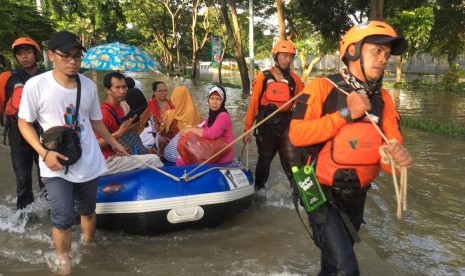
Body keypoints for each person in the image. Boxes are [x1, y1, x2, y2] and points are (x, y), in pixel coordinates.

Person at [289, 21, 413, 275]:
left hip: (357, 196)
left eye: (387, 55)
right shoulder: (321, 88)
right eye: (376, 51)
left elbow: (389, 149)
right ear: (354, 50)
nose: (383, 60)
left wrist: (396, 156)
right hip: (320, 194)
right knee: (346, 268)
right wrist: (346, 113)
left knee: (334, 264)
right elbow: (296, 135)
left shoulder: (384, 99)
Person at [17, 30, 128, 275]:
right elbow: (24, 123)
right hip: (54, 161)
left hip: (88, 160)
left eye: (77, 56)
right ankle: (64, 261)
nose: (72, 61)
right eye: (66, 56)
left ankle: (88, 246)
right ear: (51, 55)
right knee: (63, 215)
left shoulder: (88, 85)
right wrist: (43, 153)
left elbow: (95, 121)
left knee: (88, 209)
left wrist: (113, 141)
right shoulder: (36, 85)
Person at [242, 40, 305, 190]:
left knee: (292, 161)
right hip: (266, 126)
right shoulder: (262, 78)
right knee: (264, 161)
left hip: (286, 128)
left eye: (290, 56)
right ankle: (259, 191)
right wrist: (247, 129)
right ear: (275, 57)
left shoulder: (295, 80)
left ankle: (300, 194)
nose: (288, 60)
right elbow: (254, 103)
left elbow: (305, 102)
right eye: (284, 56)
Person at [0, 37, 45, 210]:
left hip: (44, 131)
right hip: (18, 133)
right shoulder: (7, 78)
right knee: (23, 179)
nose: (24, 57)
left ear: (36, 54)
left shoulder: (48, 77)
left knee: (47, 177)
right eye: (19, 54)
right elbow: (2, 104)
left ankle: (54, 216)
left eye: (28, 52)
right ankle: (26, 220)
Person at [97, 72, 163, 175]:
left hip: (120, 154)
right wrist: (120, 132)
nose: (122, 91)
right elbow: (94, 144)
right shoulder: (104, 113)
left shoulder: (120, 108)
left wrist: (145, 150)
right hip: (107, 160)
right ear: (107, 90)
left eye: (124, 87)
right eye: (117, 88)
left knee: (152, 153)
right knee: (154, 160)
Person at [179, 85, 234, 165]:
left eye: (218, 99)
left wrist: (190, 129)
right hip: (213, 150)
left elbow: (212, 134)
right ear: (208, 99)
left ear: (223, 101)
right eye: (212, 98)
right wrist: (190, 129)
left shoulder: (223, 116)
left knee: (186, 161)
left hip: (222, 156)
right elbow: (204, 126)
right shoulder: (212, 115)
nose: (214, 102)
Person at [160, 85, 202, 162]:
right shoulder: (195, 111)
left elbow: (163, 130)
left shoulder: (169, 113)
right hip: (193, 147)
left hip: (174, 149)